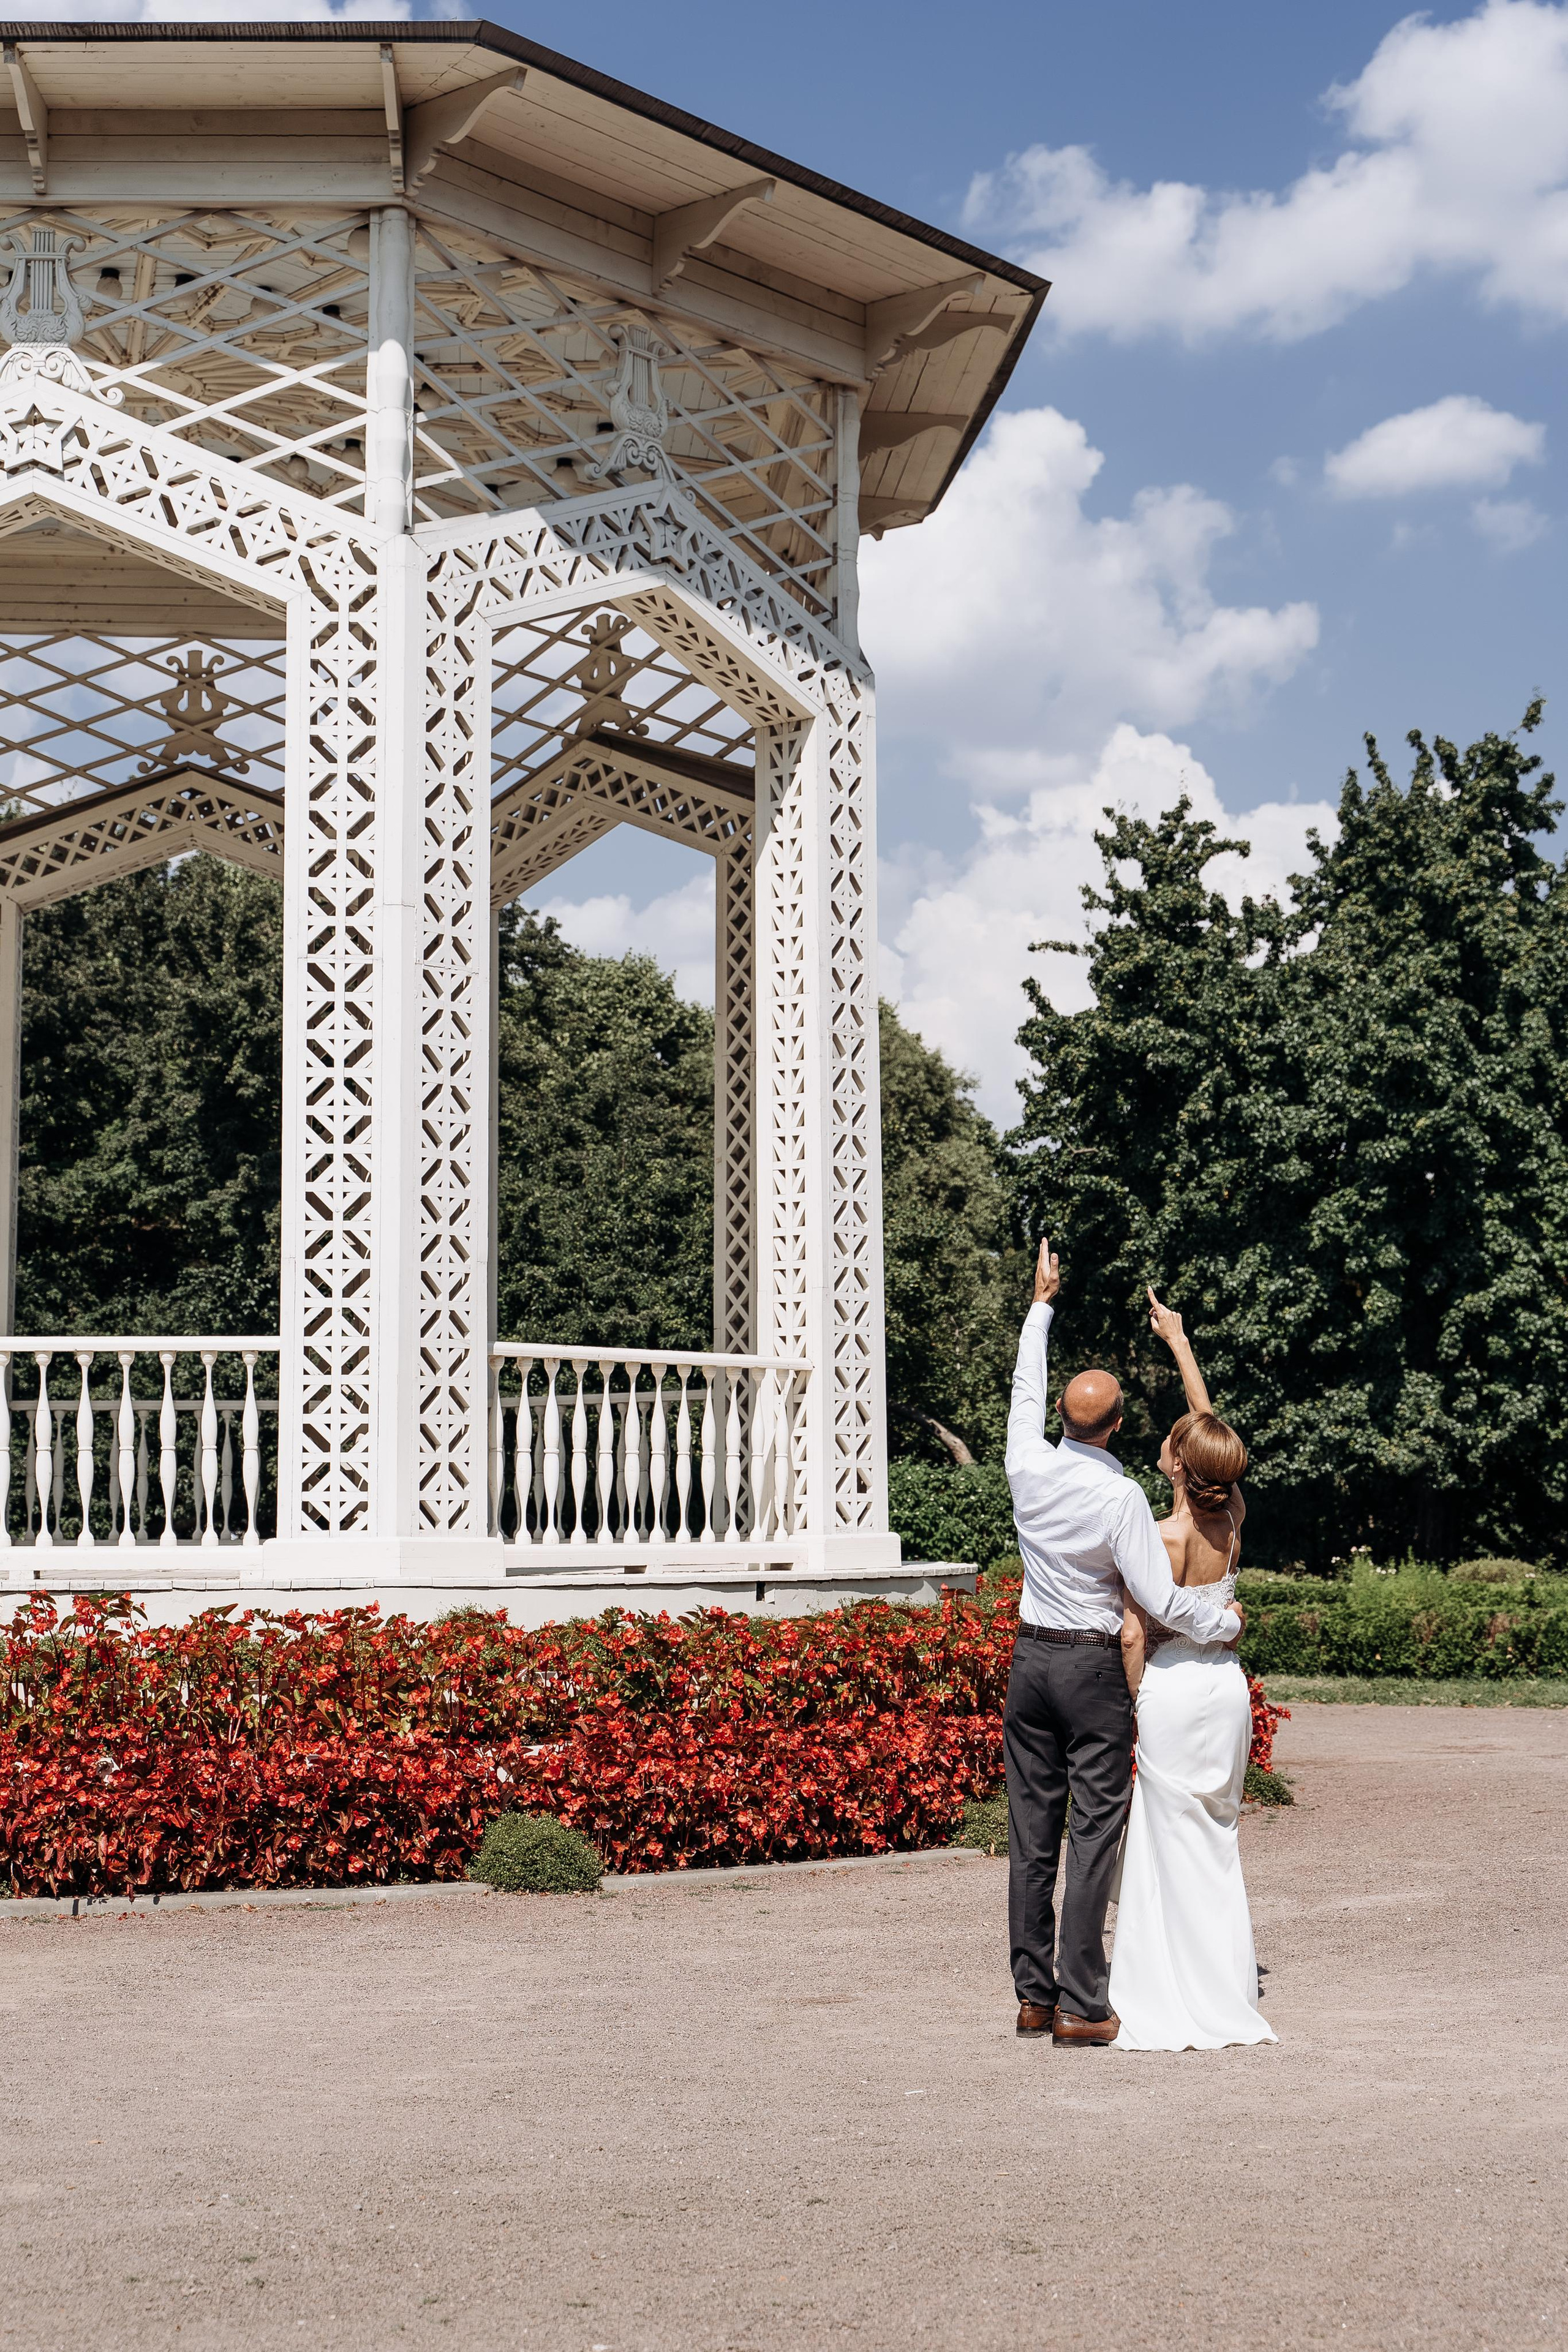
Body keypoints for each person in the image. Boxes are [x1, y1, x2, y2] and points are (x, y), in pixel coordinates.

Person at [1003, 1241, 1243, 2047]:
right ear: (1115, 1426)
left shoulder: (1024, 1464)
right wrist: (1224, 1623)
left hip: (1029, 1661)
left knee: (1032, 1837)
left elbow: (1022, 1388)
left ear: (1067, 1421)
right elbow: (1160, 1598)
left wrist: (1042, 1304)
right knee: (1093, 1835)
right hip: (1090, 1667)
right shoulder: (1122, 1500)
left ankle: (1034, 1999)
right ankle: (1082, 2002)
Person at [1107, 1287, 1277, 2052]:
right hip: (1227, 1692)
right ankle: (1222, 1987)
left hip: (1176, 1690)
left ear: (1178, 1465)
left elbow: (1132, 1633)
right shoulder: (1230, 1519)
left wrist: (1130, 1703)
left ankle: (1161, 1989)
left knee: (1160, 1842)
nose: (1170, 1442)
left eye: (1174, 1442)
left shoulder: (1161, 1534)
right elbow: (1211, 1433)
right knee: (1216, 1837)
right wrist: (1178, 1344)